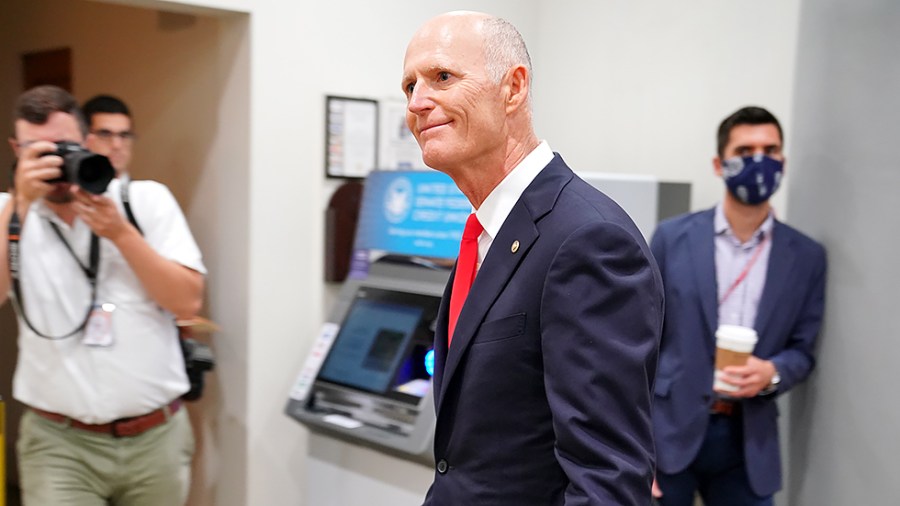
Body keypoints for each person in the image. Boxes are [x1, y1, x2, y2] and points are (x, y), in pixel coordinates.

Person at [402, 11, 664, 505]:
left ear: (513, 87)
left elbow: (606, 479)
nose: (417, 102)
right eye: (409, 86)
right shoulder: (487, 232)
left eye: (441, 77)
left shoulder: (589, 241)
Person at [0, 85, 205, 505]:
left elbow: (187, 302)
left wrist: (121, 234)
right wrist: (19, 205)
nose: (55, 162)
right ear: (16, 149)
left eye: (63, 147)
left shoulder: (144, 201)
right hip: (60, 445)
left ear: (87, 142)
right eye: (38, 151)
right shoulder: (7, 214)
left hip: (156, 439)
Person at [650, 106, 827, 506]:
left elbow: (803, 350)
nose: (759, 161)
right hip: (668, 435)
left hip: (749, 443)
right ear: (719, 163)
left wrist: (774, 372)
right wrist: (635, 448)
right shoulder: (671, 238)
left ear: (782, 161)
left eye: (770, 150)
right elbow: (638, 342)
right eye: (745, 151)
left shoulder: (806, 256)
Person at [82, 94, 135, 175]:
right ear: (84, 139)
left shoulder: (146, 187)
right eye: (105, 134)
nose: (117, 145)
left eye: (124, 135)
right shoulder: (67, 187)